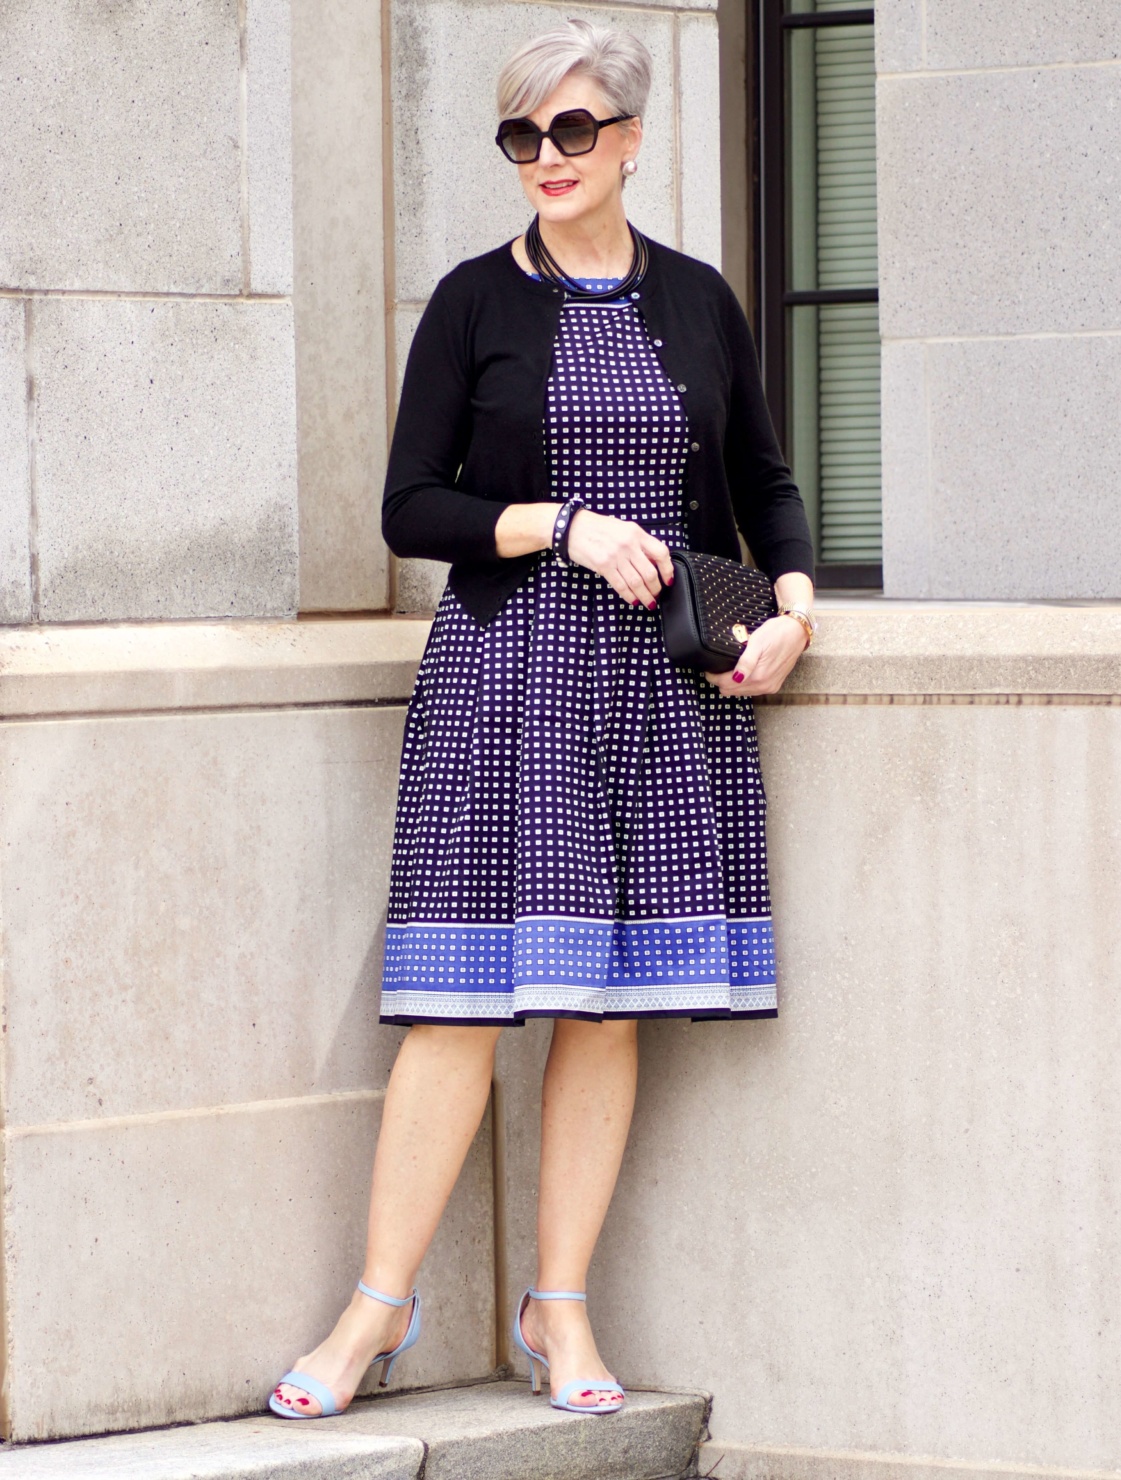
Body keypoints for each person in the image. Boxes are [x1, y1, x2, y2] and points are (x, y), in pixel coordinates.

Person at [269, 16, 815, 1422]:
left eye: (573, 131)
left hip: (655, 697)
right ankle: (371, 1314)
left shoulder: (698, 299)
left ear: (630, 138)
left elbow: (762, 478)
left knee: (605, 1007)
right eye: (523, 136)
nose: (548, 158)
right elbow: (409, 508)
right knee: (456, 1007)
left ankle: (558, 1310)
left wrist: (797, 610)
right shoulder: (471, 302)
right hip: (506, 682)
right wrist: (559, 526)